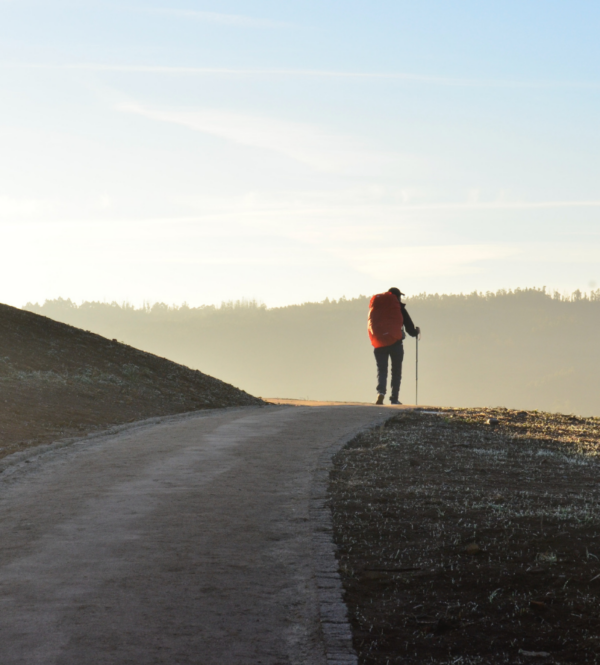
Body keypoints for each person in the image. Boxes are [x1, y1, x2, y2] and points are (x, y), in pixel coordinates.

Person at [368, 287, 420, 405]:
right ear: (397, 296)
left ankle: (381, 393)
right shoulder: (398, 307)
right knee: (396, 371)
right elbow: (409, 327)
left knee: (382, 370)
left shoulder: (377, 307)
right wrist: (415, 332)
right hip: (395, 343)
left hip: (379, 343)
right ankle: (394, 398)